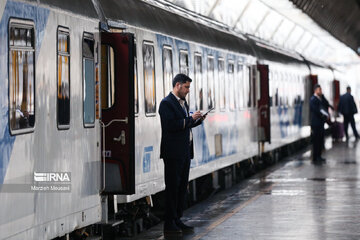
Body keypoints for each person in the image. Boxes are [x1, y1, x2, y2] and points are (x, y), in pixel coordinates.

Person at [158, 73, 205, 237]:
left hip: (184, 152)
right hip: (172, 153)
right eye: (186, 87)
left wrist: (197, 120)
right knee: (172, 188)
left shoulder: (182, 103)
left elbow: (185, 125)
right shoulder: (166, 104)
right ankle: (169, 223)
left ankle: (177, 218)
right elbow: (171, 125)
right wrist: (189, 119)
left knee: (180, 188)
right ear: (177, 85)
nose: (188, 90)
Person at [310, 84, 328, 162]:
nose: (320, 91)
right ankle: (315, 157)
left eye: (321, 90)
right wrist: (323, 115)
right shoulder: (313, 99)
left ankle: (319, 156)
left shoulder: (320, 98)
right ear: (315, 90)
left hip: (320, 123)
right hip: (316, 123)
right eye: (319, 90)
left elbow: (326, 104)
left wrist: (323, 96)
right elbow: (316, 110)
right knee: (316, 140)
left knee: (320, 140)